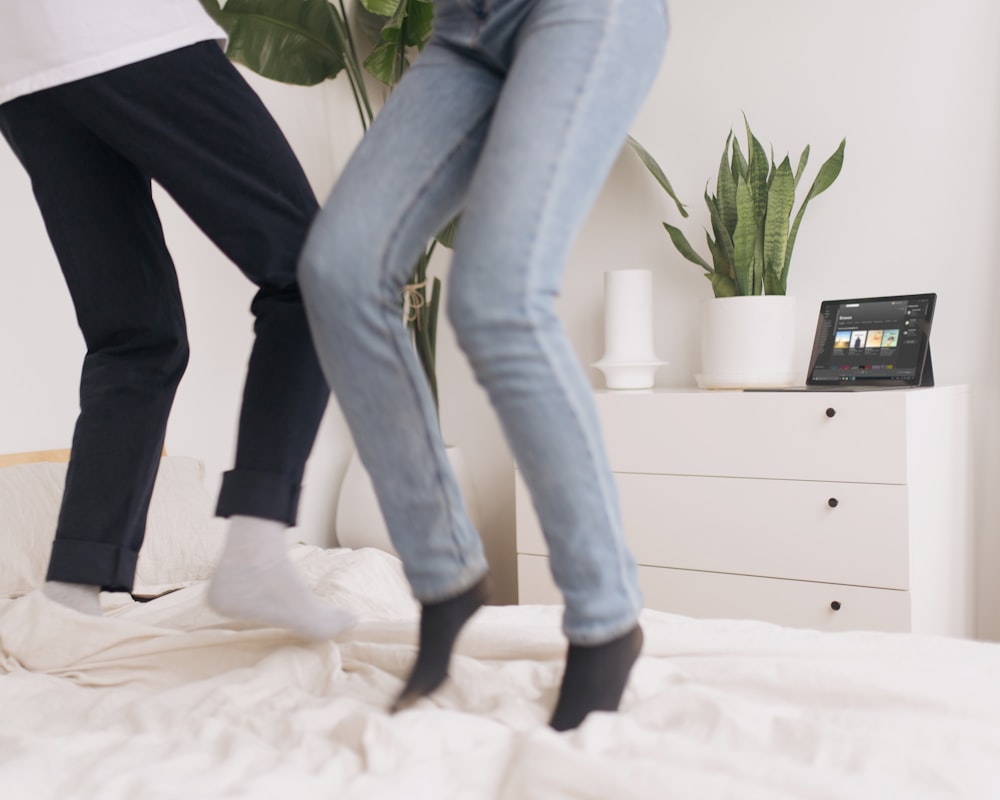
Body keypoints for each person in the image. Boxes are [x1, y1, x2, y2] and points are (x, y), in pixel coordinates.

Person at [299, 0, 669, 730]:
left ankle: (605, 621)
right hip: (462, 27)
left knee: (498, 299)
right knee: (339, 269)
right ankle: (445, 578)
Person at [0, 0, 354, 639]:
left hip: (23, 70)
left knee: (134, 338)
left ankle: (69, 596)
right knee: (317, 279)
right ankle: (255, 547)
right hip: (122, 30)